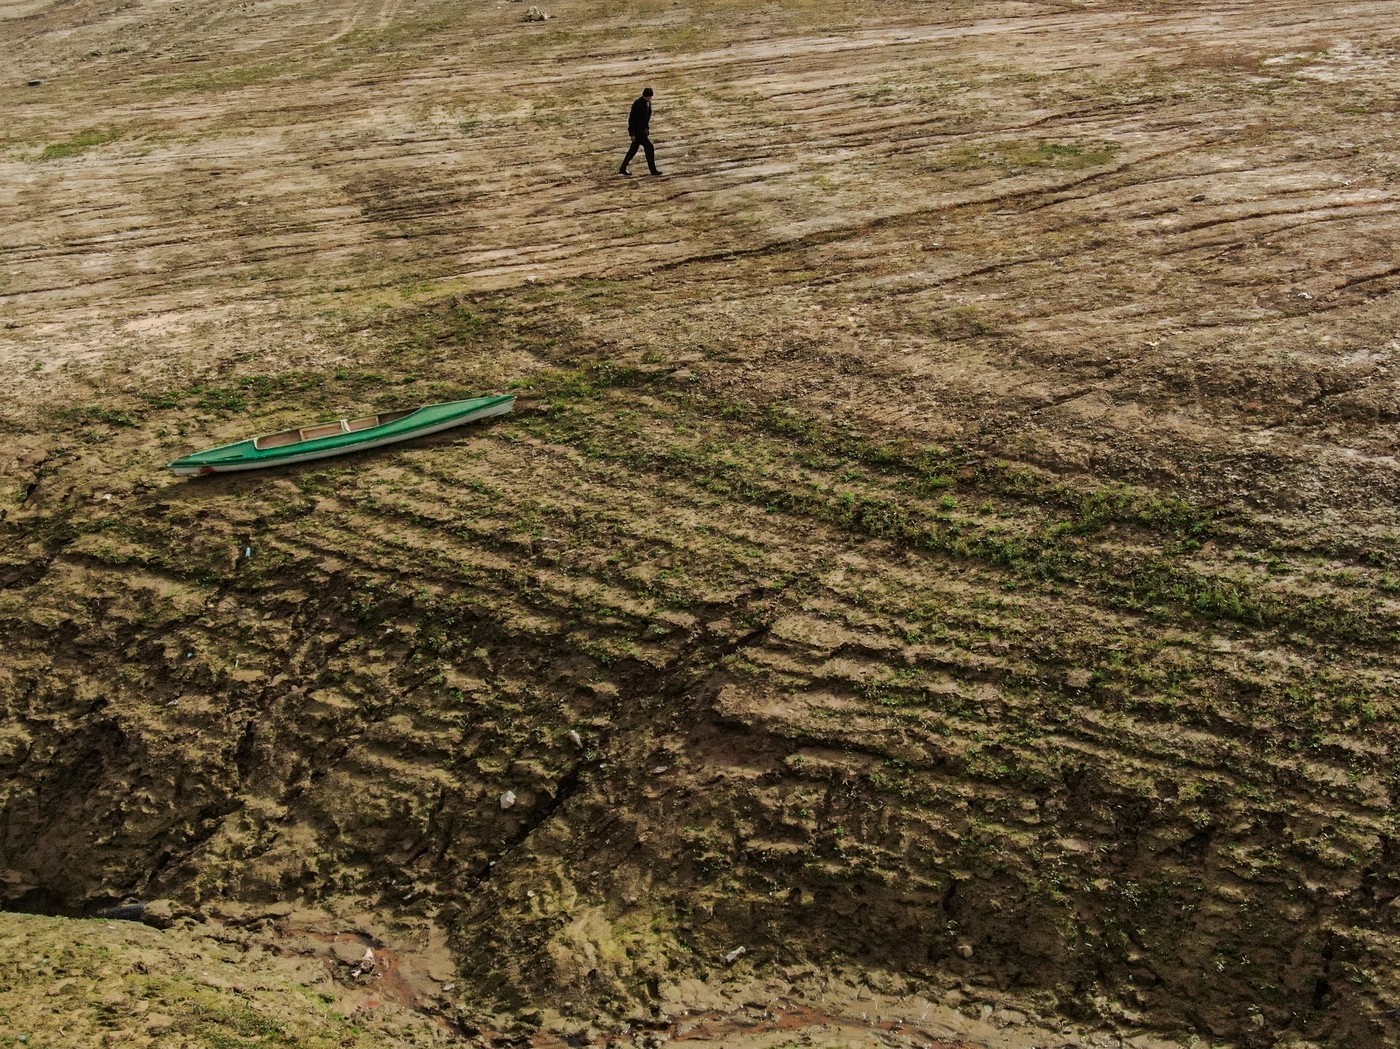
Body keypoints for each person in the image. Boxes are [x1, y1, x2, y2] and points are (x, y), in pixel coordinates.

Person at [619, 87, 662, 176]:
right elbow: (631, 120)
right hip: (638, 132)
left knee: (633, 150)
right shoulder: (637, 104)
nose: (650, 99)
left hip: (642, 131)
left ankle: (622, 168)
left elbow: (647, 118)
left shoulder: (648, 103)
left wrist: (647, 129)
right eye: (649, 97)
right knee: (649, 147)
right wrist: (632, 134)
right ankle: (653, 170)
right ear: (645, 96)